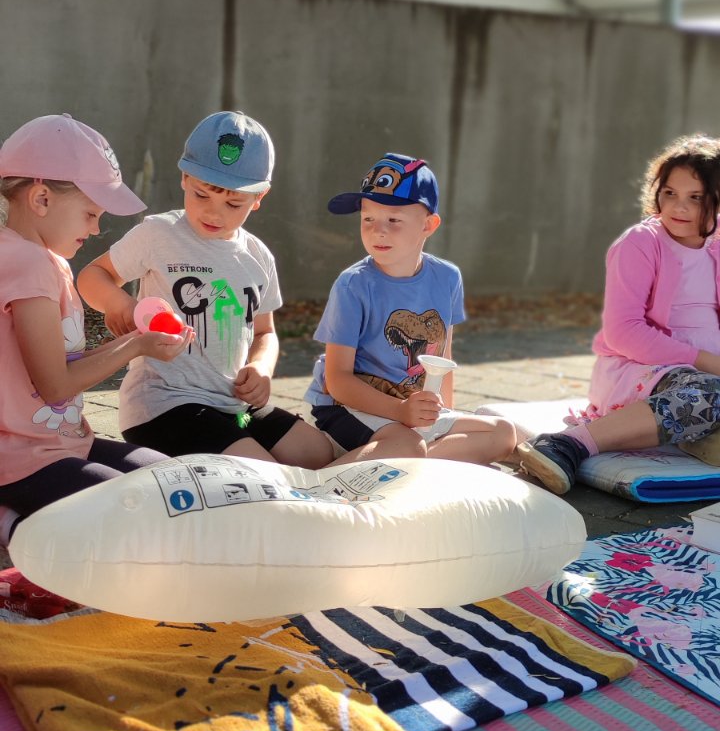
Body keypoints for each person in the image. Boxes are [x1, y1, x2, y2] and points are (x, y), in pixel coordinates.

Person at [78, 110, 333, 467]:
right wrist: (117, 302)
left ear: (260, 197)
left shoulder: (258, 255)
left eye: (233, 203)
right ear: (185, 178)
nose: (214, 213)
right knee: (263, 472)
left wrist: (261, 367)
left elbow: (265, 332)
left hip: (232, 404)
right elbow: (92, 276)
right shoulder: (159, 234)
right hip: (164, 404)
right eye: (201, 195)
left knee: (317, 453)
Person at [0, 113, 191, 532]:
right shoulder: (27, 263)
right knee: (140, 512)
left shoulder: (46, 259)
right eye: (90, 213)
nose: (98, 227)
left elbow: (59, 365)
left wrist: (140, 337)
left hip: (61, 445)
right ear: (42, 199)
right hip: (20, 462)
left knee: (173, 480)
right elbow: (55, 386)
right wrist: (136, 346)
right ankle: (12, 522)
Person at [516, 134, 720, 494]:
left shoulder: (716, 245)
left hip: (708, 374)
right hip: (642, 370)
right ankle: (570, 445)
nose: (678, 207)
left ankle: (696, 436)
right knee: (706, 393)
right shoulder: (641, 244)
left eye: (696, 198)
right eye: (669, 192)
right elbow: (623, 332)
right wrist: (706, 361)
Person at [305, 151, 516, 465]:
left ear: (428, 225)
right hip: (351, 406)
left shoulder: (447, 277)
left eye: (394, 220)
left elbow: (442, 358)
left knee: (503, 433)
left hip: (410, 414)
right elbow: (337, 381)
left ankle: (396, 464)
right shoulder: (353, 285)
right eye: (368, 219)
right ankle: (322, 485)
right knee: (408, 445)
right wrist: (400, 412)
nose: (379, 230)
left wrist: (441, 414)